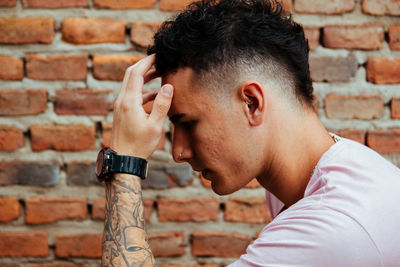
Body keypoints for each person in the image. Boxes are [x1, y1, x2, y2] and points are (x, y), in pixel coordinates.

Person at [97, 0, 400, 266]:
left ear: (251, 103)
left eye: (187, 123)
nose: (178, 152)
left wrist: (123, 163)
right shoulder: (334, 169)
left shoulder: (333, 226)